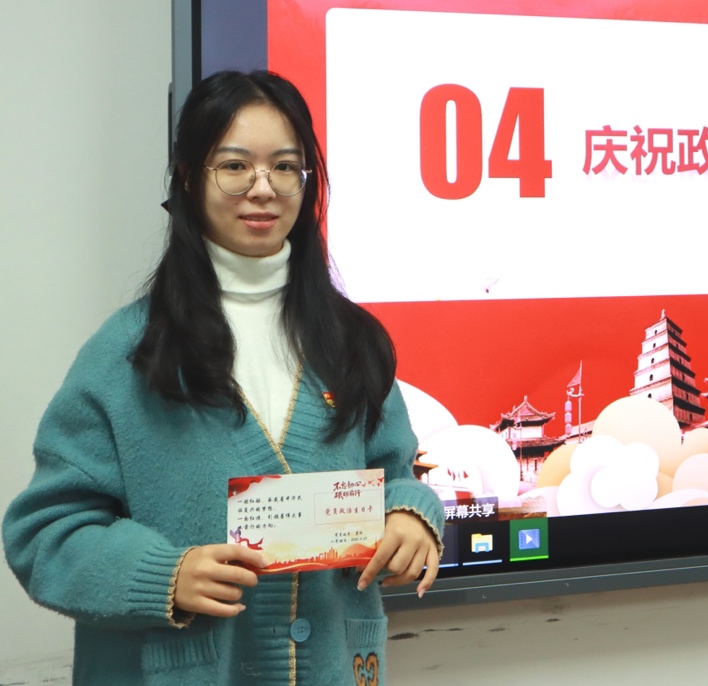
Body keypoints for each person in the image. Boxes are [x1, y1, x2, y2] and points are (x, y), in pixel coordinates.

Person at [3, 70, 444, 685]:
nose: (263, 188)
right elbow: (45, 532)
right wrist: (163, 576)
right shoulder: (128, 352)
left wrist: (410, 515)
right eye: (235, 166)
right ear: (189, 178)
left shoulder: (353, 341)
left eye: (285, 167)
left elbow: (397, 475)